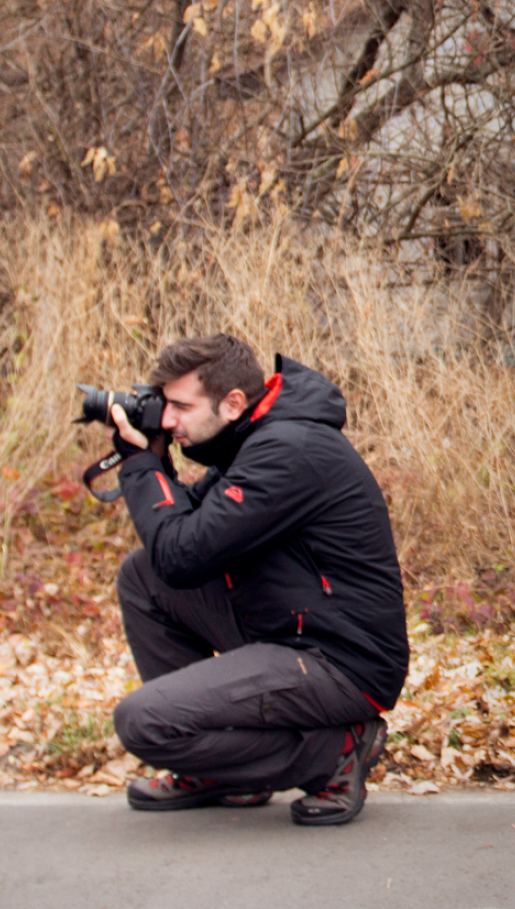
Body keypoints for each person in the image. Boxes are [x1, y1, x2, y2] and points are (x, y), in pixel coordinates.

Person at [108, 333, 409, 825]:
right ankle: (217, 769)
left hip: (341, 662)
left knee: (143, 723)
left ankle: (335, 750)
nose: (167, 420)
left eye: (181, 407)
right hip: (286, 629)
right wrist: (155, 461)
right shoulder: (256, 437)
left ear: (231, 403)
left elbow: (182, 554)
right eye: (165, 406)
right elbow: (185, 538)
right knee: (143, 578)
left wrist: (140, 464)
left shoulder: (287, 450)